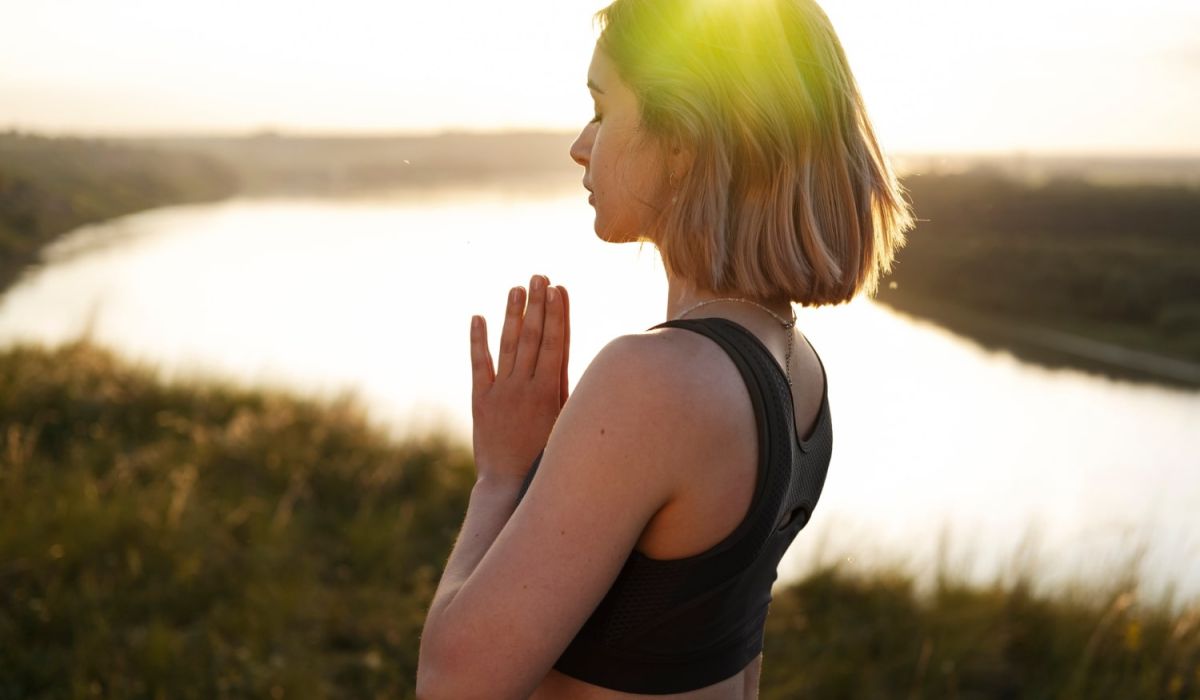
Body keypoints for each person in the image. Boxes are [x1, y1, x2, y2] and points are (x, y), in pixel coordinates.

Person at [417, 0, 912, 696]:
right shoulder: (798, 375)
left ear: (681, 139)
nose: (580, 144)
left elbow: (453, 685)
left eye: (601, 108)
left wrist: (503, 474)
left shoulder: (656, 382)